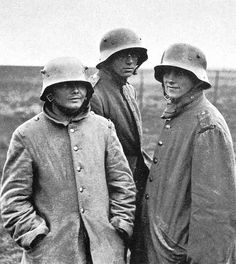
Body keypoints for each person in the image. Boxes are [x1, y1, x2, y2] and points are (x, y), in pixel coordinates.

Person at [0, 57, 136, 264]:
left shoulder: (104, 129)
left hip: (105, 251)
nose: (76, 91)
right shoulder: (27, 135)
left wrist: (121, 224)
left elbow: (123, 185)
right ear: (50, 93)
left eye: (81, 86)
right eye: (66, 85)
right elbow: (13, 198)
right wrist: (34, 234)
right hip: (52, 254)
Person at [132, 43, 236, 264]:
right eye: (166, 72)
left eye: (179, 73)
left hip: (176, 252)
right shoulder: (180, 114)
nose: (170, 79)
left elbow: (214, 212)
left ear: (196, 79)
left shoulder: (206, 125)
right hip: (161, 247)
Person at [90, 28, 151, 255]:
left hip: (134, 176)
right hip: (111, 185)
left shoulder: (127, 88)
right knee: (111, 247)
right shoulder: (94, 94)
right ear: (108, 58)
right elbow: (95, 152)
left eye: (135, 56)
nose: (131, 60)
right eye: (123, 55)